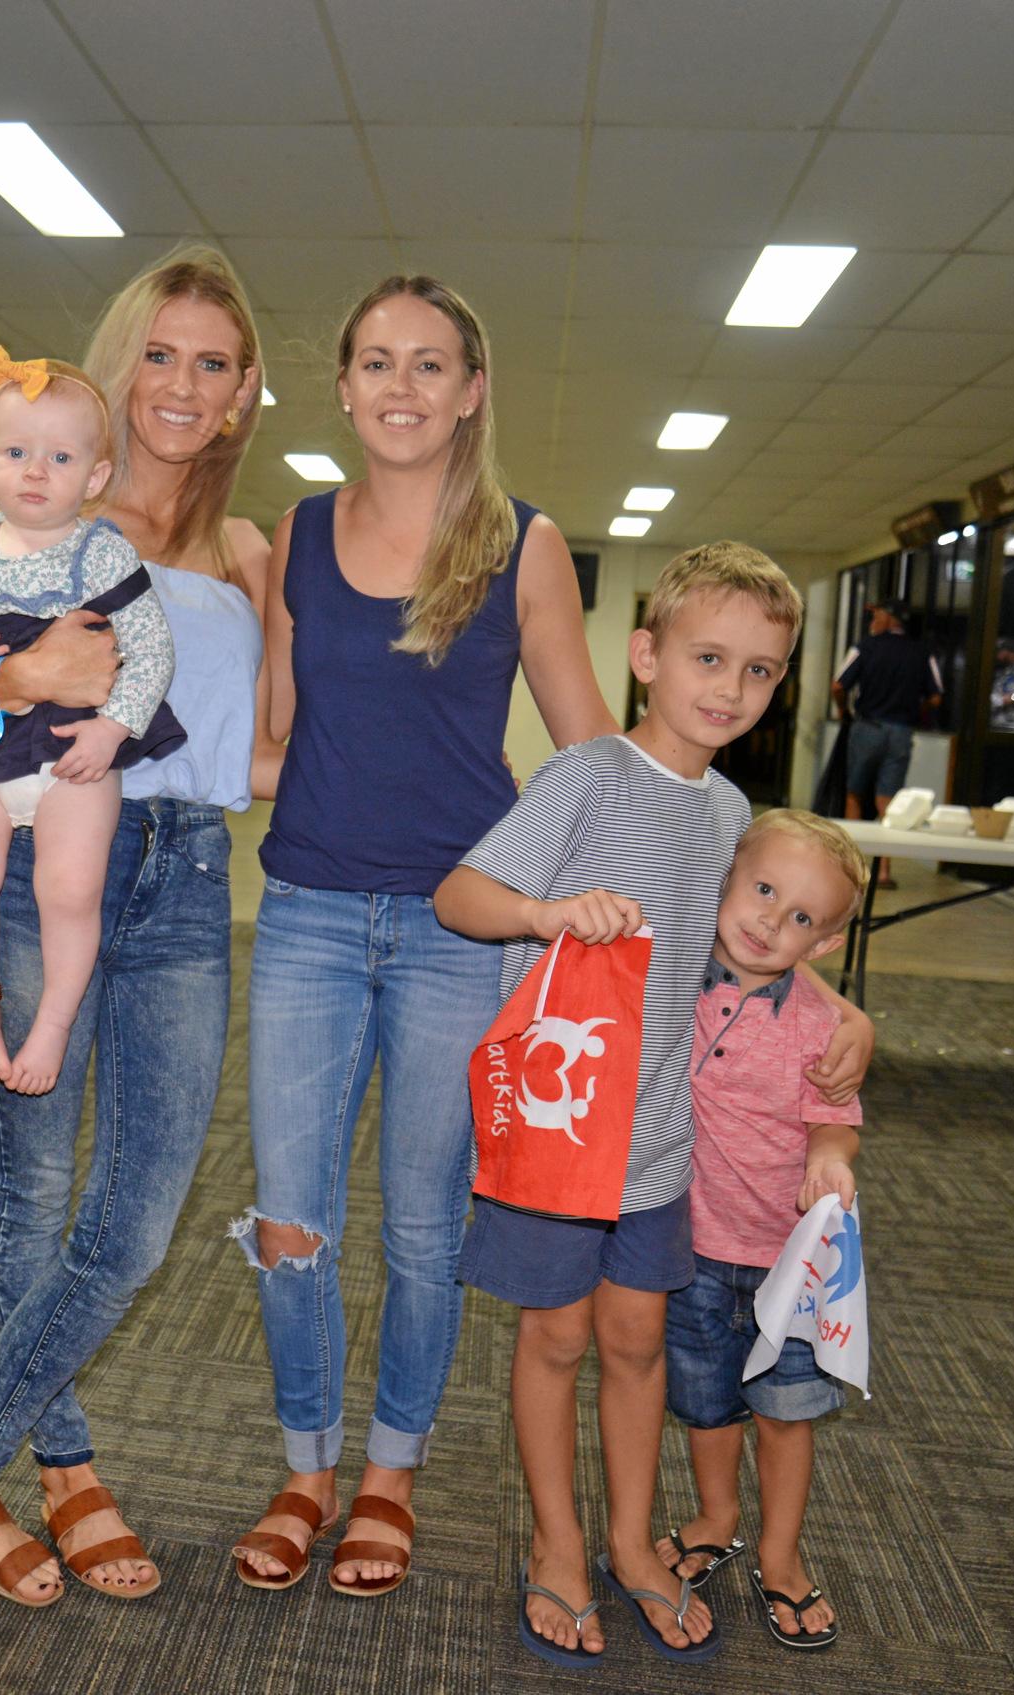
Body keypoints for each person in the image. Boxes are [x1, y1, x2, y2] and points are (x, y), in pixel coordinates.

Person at [229, 275, 618, 1602]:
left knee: (422, 1233)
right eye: (376, 362)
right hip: (307, 920)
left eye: (429, 363)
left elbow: (591, 760)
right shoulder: (296, 531)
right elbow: (276, 740)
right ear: (341, 387)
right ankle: (304, 1466)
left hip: (462, 927)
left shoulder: (526, 544)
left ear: (471, 389)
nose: (401, 385)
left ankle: (388, 1471)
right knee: (290, 1221)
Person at [0, 245, 269, 1606]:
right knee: (35, 1190)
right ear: (117, 363)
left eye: (212, 363)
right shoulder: (23, 514)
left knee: (139, 1220)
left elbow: (269, 747)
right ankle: (62, 1469)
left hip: (178, 872)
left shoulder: (245, 551)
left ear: (241, 396)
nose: (181, 384)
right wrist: (24, 672)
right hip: (28, 846)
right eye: (159, 352)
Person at [434, 548, 874, 1664]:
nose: (729, 689)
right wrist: (547, 915)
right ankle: (559, 1550)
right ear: (647, 656)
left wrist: (841, 1007)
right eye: (708, 658)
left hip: (658, 1142)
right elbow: (462, 895)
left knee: (636, 1342)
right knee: (558, 1339)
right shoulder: (586, 776)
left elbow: (762, 936)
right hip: (561, 1133)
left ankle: (633, 1545)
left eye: (761, 671)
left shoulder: (732, 810)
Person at [0, 350, 183, 1097]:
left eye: (59, 457)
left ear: (92, 478)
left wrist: (113, 729)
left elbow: (153, 650)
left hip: (70, 754)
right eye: (18, 452)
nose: (35, 471)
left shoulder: (100, 552)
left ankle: (53, 1023)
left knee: (70, 890)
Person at [662, 809, 867, 1654]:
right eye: (763, 890)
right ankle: (717, 1515)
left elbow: (836, 1115)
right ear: (726, 878)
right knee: (708, 1401)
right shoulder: (671, 977)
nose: (768, 921)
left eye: (800, 919)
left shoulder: (822, 1027)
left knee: (787, 1414)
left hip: (787, 1265)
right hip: (691, 1248)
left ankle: (780, 1555)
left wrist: (831, 1155)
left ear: (820, 947)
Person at [831, 598, 941, 886]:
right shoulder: (922, 652)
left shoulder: (866, 646)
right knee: (888, 803)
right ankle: (883, 872)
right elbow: (935, 696)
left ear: (891, 618)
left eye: (876, 614)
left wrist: (843, 710)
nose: (872, 621)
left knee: (854, 793)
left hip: (868, 726)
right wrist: (917, 712)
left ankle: (852, 869)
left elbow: (838, 685)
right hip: (901, 731)